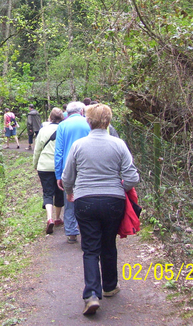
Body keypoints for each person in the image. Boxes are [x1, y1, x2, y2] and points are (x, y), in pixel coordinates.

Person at [62, 103, 140, 316]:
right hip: (113, 201)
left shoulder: (78, 145)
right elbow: (132, 177)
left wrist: (70, 191)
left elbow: (68, 176)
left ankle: (91, 295)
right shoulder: (119, 144)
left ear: (89, 120)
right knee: (108, 243)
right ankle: (110, 286)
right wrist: (118, 188)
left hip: (85, 200)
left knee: (90, 248)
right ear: (108, 121)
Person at [54, 101, 90, 244]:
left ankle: (71, 232)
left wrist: (58, 174)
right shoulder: (88, 122)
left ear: (67, 113)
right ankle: (86, 228)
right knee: (86, 197)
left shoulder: (62, 126)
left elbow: (59, 152)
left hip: (68, 168)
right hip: (87, 165)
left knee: (69, 199)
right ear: (81, 111)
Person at [32, 107, 65, 234]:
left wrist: (35, 164)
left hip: (44, 166)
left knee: (47, 192)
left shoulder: (43, 130)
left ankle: (49, 218)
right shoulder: (64, 129)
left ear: (50, 118)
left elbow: (37, 149)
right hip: (59, 166)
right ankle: (57, 218)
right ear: (62, 118)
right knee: (59, 191)